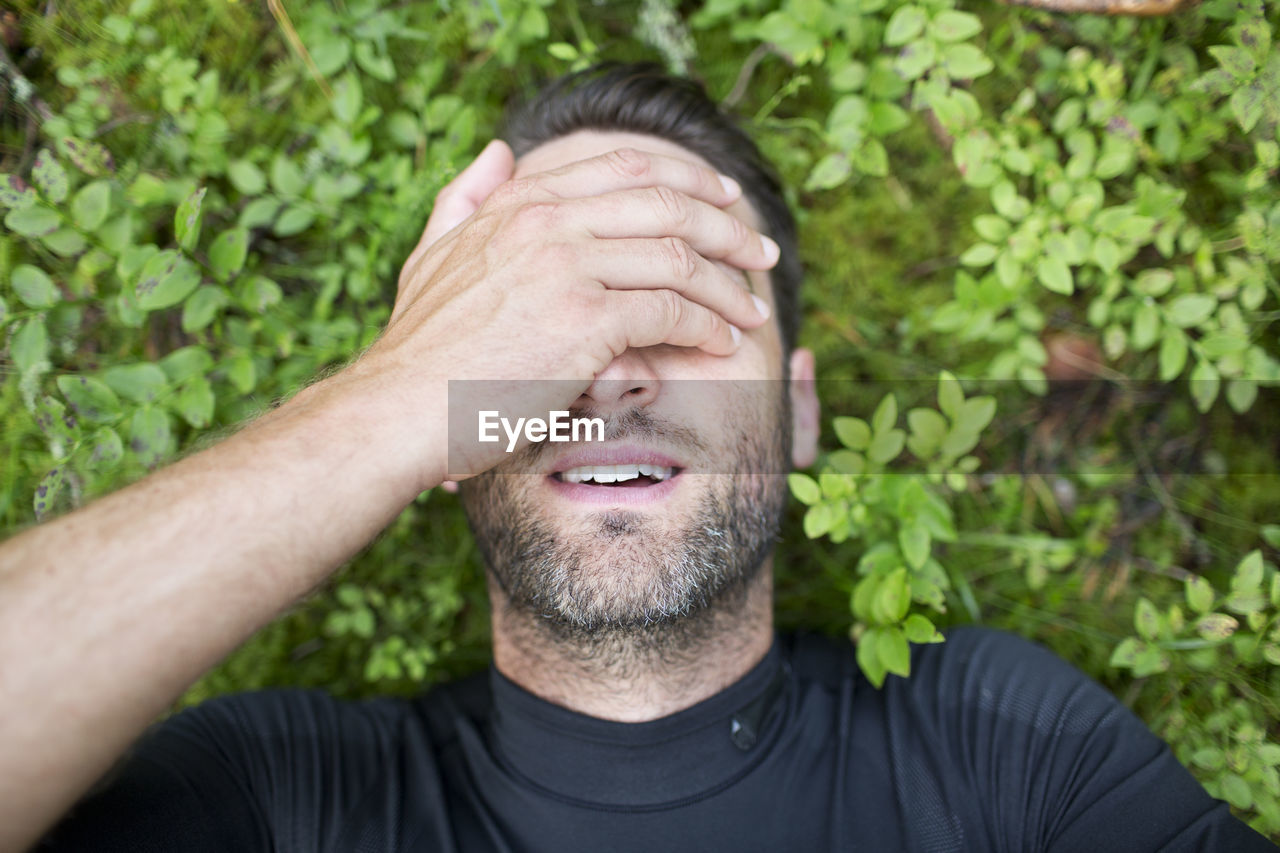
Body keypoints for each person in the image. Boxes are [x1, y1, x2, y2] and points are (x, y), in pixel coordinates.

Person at [3, 62, 1273, 852]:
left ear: (798, 413)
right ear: (449, 429)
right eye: (536, 323)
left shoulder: (1002, 747)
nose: (608, 371)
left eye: (684, 302)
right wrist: (386, 405)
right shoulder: (287, 800)